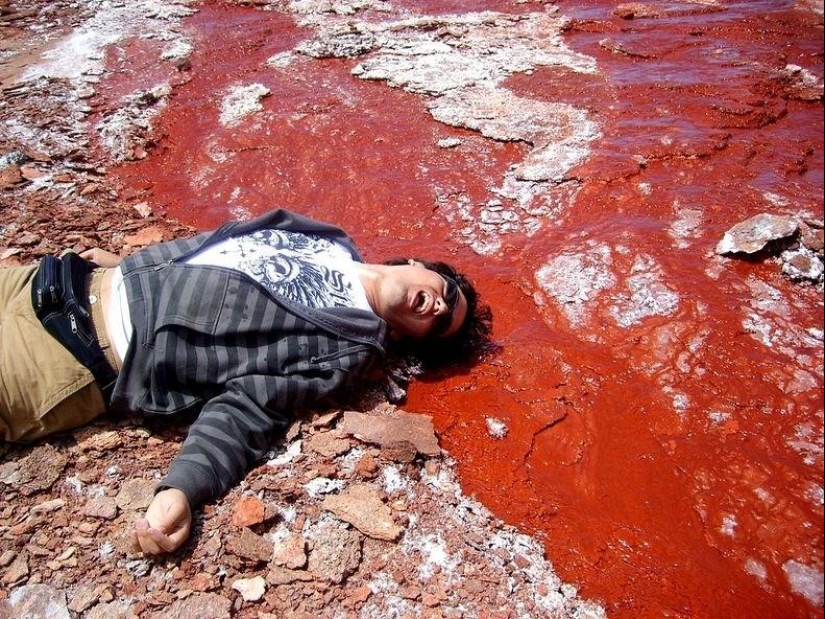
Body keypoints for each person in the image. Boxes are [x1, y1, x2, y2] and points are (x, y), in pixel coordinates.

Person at [0, 208, 492, 555]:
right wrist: (127, 265)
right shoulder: (327, 239)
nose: (439, 307)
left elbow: (250, 408)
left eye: (440, 324)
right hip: (49, 280)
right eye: (446, 293)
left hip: (66, 355)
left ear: (409, 335)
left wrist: (183, 489)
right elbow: (220, 247)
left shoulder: (345, 349)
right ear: (418, 267)